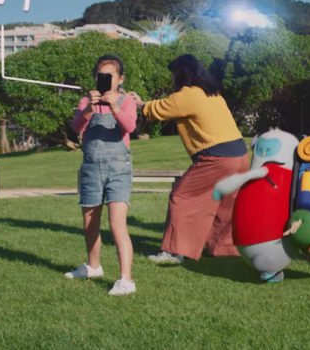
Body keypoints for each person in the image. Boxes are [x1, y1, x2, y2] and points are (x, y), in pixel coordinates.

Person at [128, 54, 248, 264]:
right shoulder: (213, 94)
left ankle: (175, 252)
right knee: (226, 204)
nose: (172, 79)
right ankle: (223, 248)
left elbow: (160, 109)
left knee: (182, 197)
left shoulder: (188, 94)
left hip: (217, 157)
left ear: (181, 74)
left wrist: (139, 104)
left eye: (174, 74)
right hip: (241, 156)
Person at [65, 55, 138, 296]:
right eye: (100, 76)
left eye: (109, 76)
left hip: (119, 169)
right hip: (90, 168)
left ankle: (126, 279)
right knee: (90, 223)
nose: (104, 80)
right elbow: (76, 127)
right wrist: (88, 109)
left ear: (120, 79)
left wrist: (114, 106)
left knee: (117, 224)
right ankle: (93, 267)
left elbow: (130, 127)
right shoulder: (87, 101)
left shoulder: (127, 101)